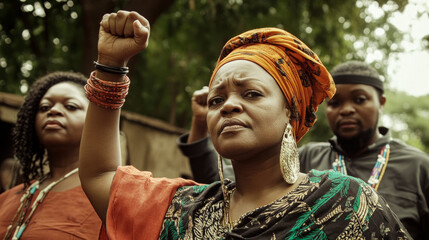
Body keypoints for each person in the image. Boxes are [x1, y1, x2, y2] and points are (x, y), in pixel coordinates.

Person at [79, 10, 411, 239]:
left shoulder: (345, 202)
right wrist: (111, 65)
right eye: (215, 100)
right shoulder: (181, 210)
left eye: (251, 94)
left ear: (290, 113)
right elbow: (98, 175)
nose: (229, 105)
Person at [178, 61, 429, 239]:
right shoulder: (307, 157)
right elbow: (229, 190)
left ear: (381, 103)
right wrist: (200, 124)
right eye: (335, 102)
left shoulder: (417, 166)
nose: (346, 109)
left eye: (359, 99)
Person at [0, 72, 102, 239]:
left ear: (95, 119)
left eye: (70, 106)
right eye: (44, 108)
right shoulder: (8, 199)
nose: (54, 111)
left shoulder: (107, 196)